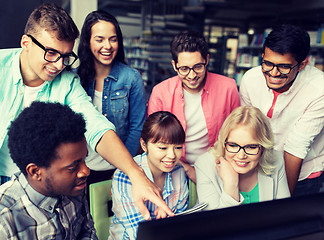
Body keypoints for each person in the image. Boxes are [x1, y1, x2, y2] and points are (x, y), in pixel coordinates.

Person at [0, 3, 173, 220]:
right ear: (26, 43)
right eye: (51, 53)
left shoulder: (67, 82)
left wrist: (135, 175)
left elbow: (96, 126)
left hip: (41, 186)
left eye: (65, 56)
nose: (59, 65)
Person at [239, 24, 324, 197]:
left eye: (284, 67)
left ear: (302, 64)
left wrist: (283, 204)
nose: (274, 73)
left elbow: (296, 146)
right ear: (262, 56)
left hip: (302, 176)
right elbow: (247, 127)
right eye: (268, 63)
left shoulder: (319, 88)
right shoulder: (250, 79)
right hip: (259, 169)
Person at [147, 30, 240, 183]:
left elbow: (236, 134)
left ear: (207, 60)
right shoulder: (160, 92)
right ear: (174, 65)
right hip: (171, 168)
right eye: (184, 69)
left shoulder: (228, 88)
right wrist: (188, 169)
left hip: (217, 169)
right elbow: (155, 143)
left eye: (198, 67)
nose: (191, 76)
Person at [0, 102, 96, 239]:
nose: (85, 171)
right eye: (73, 167)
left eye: (84, 159)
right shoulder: (5, 222)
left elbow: (87, 231)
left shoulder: (75, 185)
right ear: (35, 172)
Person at [77, 10, 146, 165]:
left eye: (113, 39)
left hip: (119, 167)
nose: (107, 46)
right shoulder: (75, 79)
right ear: (88, 42)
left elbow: (137, 128)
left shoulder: (132, 78)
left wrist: (123, 166)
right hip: (82, 167)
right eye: (99, 40)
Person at [109, 111, 189, 240]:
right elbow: (139, 235)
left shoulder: (178, 170)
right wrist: (167, 222)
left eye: (178, 147)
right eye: (163, 148)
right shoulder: (124, 177)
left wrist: (167, 220)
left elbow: (182, 222)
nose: (172, 155)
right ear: (144, 145)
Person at [195, 106, 290, 210]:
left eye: (251, 147)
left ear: (263, 147)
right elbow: (213, 224)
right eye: (233, 145)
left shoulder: (276, 159)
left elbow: (284, 213)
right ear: (223, 143)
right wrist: (231, 186)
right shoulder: (205, 165)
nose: (241, 156)